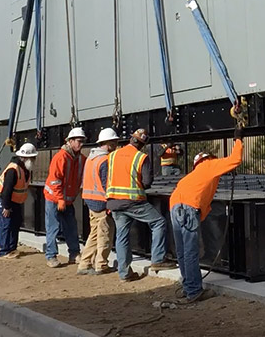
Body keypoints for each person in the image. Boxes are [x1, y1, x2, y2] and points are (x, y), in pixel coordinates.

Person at [169, 129, 243, 302]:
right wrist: (238, 139)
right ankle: (194, 291)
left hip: (174, 207)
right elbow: (235, 160)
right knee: (190, 251)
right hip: (188, 207)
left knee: (182, 251)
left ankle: (188, 286)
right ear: (207, 159)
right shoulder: (209, 165)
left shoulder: (192, 176)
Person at [107, 128, 175, 281]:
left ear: (131, 139)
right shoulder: (141, 157)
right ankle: (158, 259)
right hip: (133, 201)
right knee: (159, 222)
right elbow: (146, 182)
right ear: (142, 144)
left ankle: (124, 273)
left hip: (114, 202)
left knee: (122, 236)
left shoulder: (112, 155)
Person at [77, 127, 119, 275]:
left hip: (90, 201)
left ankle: (84, 263)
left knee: (94, 233)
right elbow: (106, 184)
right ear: (108, 143)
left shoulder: (91, 158)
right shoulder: (105, 160)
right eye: (114, 142)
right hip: (101, 203)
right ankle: (101, 264)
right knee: (105, 234)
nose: (116, 145)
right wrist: (110, 203)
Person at [44, 127, 87, 268]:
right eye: (79, 141)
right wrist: (60, 199)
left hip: (67, 200)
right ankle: (51, 256)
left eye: (82, 141)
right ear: (70, 141)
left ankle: (74, 254)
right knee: (53, 227)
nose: (81, 144)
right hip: (54, 199)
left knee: (71, 227)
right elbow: (54, 180)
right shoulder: (60, 157)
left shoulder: (81, 159)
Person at [0, 142, 38, 259]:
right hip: (2, 199)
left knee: (15, 223)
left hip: (15, 201)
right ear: (24, 158)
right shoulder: (13, 169)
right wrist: (6, 207)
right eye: (32, 158)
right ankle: (4, 251)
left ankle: (12, 248)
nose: (33, 160)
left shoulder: (23, 169)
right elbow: (6, 190)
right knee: (5, 224)